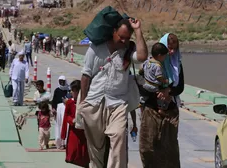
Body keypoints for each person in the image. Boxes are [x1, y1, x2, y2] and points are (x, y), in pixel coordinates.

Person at [79, 18, 148, 168]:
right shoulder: (96, 48)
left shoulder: (128, 51)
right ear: (113, 32)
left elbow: (142, 57)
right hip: (94, 102)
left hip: (117, 103)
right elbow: (86, 76)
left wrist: (137, 30)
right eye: (121, 37)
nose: (123, 41)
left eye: (127, 38)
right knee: (96, 147)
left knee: (118, 136)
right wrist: (83, 103)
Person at [139, 33, 184, 168]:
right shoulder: (151, 65)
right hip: (151, 110)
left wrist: (168, 91)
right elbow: (143, 85)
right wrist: (157, 92)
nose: (171, 52)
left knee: (169, 148)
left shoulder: (177, 64)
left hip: (171, 112)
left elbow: (180, 86)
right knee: (148, 146)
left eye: (174, 49)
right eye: (168, 48)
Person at [61, 80, 90, 168]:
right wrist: (63, 134)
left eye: (73, 91)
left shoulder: (86, 103)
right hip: (73, 132)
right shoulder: (70, 103)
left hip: (84, 132)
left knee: (83, 153)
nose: (71, 92)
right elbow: (66, 117)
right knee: (73, 151)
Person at [139, 42, 170, 112]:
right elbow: (159, 77)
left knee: (144, 96)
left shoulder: (147, 61)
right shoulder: (157, 66)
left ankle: (142, 102)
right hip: (154, 87)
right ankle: (161, 106)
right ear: (159, 56)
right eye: (164, 56)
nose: (165, 58)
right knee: (160, 94)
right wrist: (165, 81)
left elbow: (141, 70)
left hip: (145, 84)